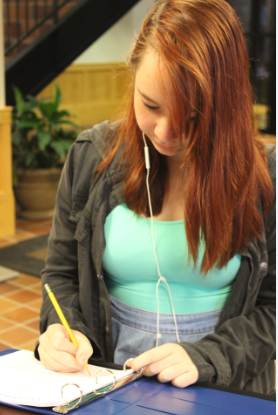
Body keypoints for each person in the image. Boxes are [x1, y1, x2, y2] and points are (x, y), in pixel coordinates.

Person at [36, 0, 276, 394]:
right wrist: (62, 331)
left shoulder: (267, 175)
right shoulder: (92, 155)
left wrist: (206, 357)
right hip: (105, 382)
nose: (165, 133)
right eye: (150, 105)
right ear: (133, 74)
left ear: (226, 105)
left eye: (191, 117)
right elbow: (59, 276)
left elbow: (273, 309)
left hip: (225, 388)